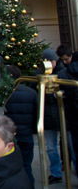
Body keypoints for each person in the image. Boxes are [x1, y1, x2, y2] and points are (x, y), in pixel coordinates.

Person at [3, 65, 37, 186]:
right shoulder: (32, 93)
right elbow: (36, 114)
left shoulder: (5, 93)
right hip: (26, 134)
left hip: (11, 135)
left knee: (11, 168)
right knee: (27, 166)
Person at [36, 48, 64, 184]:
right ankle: (56, 172)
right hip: (47, 116)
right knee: (51, 147)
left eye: (50, 60)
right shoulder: (37, 77)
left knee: (69, 144)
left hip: (62, 116)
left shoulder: (63, 74)